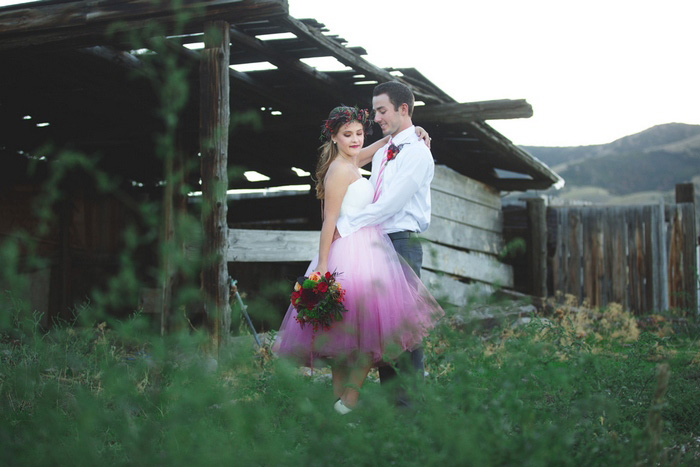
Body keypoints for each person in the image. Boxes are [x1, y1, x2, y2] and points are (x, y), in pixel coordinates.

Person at [273, 105, 443, 414]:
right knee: (364, 331)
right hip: (350, 252)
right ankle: (348, 401)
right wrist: (322, 266)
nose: (355, 140)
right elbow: (329, 221)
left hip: (369, 248)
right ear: (334, 138)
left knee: (357, 334)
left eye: (359, 133)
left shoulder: (353, 160)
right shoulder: (339, 170)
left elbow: (378, 146)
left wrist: (412, 133)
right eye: (347, 135)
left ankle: (343, 407)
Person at [335, 81, 434, 397]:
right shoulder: (384, 151)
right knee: (382, 328)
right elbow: (351, 164)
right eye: (375, 110)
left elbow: (391, 204)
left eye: (381, 110)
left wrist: (349, 224)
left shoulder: (418, 153)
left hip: (401, 242)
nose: (375, 117)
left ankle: (408, 409)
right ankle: (392, 406)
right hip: (376, 242)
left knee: (405, 330)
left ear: (403, 109)